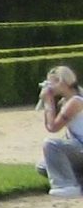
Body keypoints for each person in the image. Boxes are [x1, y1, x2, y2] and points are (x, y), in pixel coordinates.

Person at [42, 67, 83, 196]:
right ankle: (79, 182)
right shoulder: (66, 102)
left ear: (62, 82)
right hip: (78, 147)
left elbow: (53, 127)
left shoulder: (75, 102)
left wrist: (48, 102)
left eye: (52, 83)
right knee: (43, 166)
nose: (49, 87)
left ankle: (67, 185)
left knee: (51, 145)